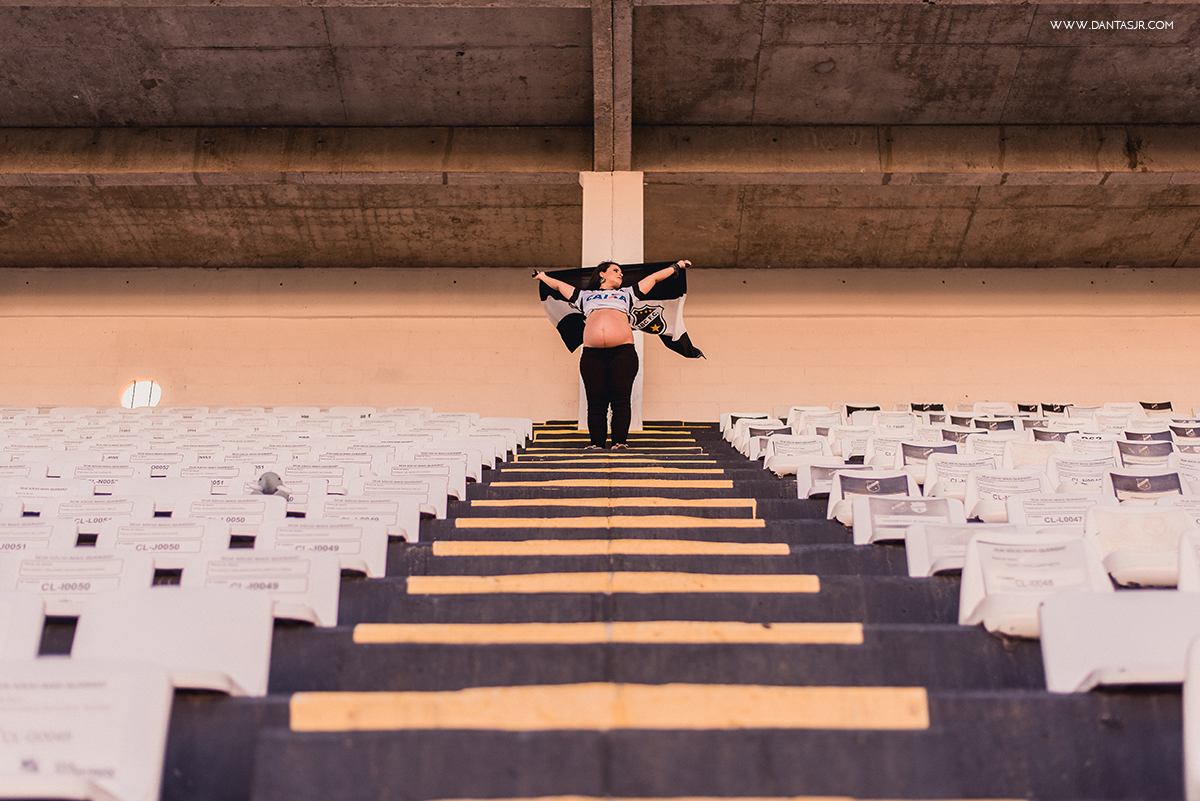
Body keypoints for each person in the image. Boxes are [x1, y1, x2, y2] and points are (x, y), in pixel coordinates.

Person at [535, 259, 691, 449]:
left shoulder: (627, 293)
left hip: (622, 353)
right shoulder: (584, 296)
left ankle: (620, 442)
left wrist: (677, 266)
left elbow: (654, 278)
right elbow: (559, 286)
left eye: (622, 272)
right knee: (595, 401)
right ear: (602, 274)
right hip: (592, 354)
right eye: (616, 270)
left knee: (621, 399)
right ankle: (596, 444)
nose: (621, 274)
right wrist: (543, 277)